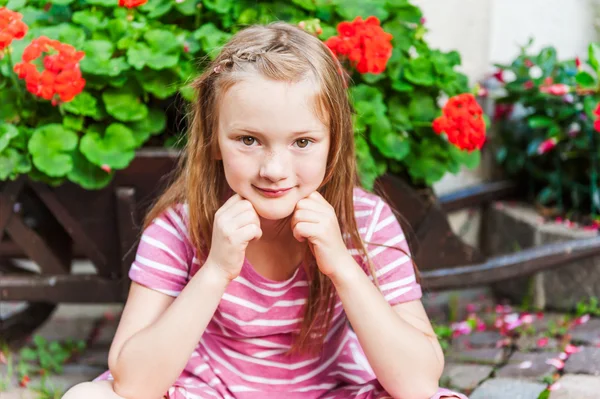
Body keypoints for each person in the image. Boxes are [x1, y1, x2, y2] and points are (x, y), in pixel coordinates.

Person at [62, 22, 467, 399]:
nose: (274, 170)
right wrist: (215, 271)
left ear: (334, 142)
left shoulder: (367, 221)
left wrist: (343, 267)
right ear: (215, 139)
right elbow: (132, 383)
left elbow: (419, 382)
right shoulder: (179, 227)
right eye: (249, 139)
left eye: (303, 142)